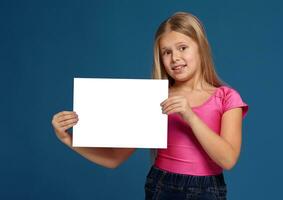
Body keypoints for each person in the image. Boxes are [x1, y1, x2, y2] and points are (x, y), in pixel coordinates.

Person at [52, 12, 248, 200]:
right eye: (166, 52)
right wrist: (68, 138)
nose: (175, 58)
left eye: (182, 48)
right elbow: (114, 158)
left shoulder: (226, 97)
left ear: (200, 47)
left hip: (208, 190)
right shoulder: (154, 97)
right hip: (161, 187)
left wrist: (190, 115)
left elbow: (227, 159)